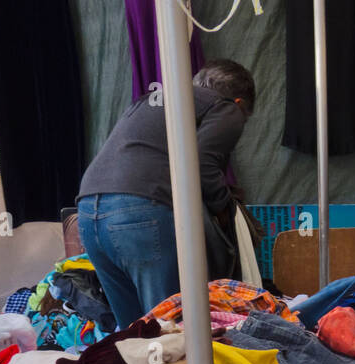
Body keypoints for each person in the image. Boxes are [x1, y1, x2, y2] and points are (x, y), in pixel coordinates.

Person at [75, 59, 255, 328]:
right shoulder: (227, 107)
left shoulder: (149, 100)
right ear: (240, 103)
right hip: (139, 211)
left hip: (88, 211)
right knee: (168, 329)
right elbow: (202, 162)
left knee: (132, 336)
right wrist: (224, 209)